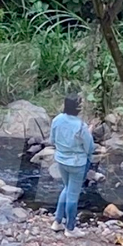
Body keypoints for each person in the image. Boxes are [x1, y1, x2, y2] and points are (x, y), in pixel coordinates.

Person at [50, 93, 94, 237]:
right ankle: (70, 228)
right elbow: (90, 148)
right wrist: (90, 133)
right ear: (78, 108)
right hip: (77, 164)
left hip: (61, 160)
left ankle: (57, 221)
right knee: (73, 195)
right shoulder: (81, 126)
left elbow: (52, 140)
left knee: (67, 188)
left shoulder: (57, 120)